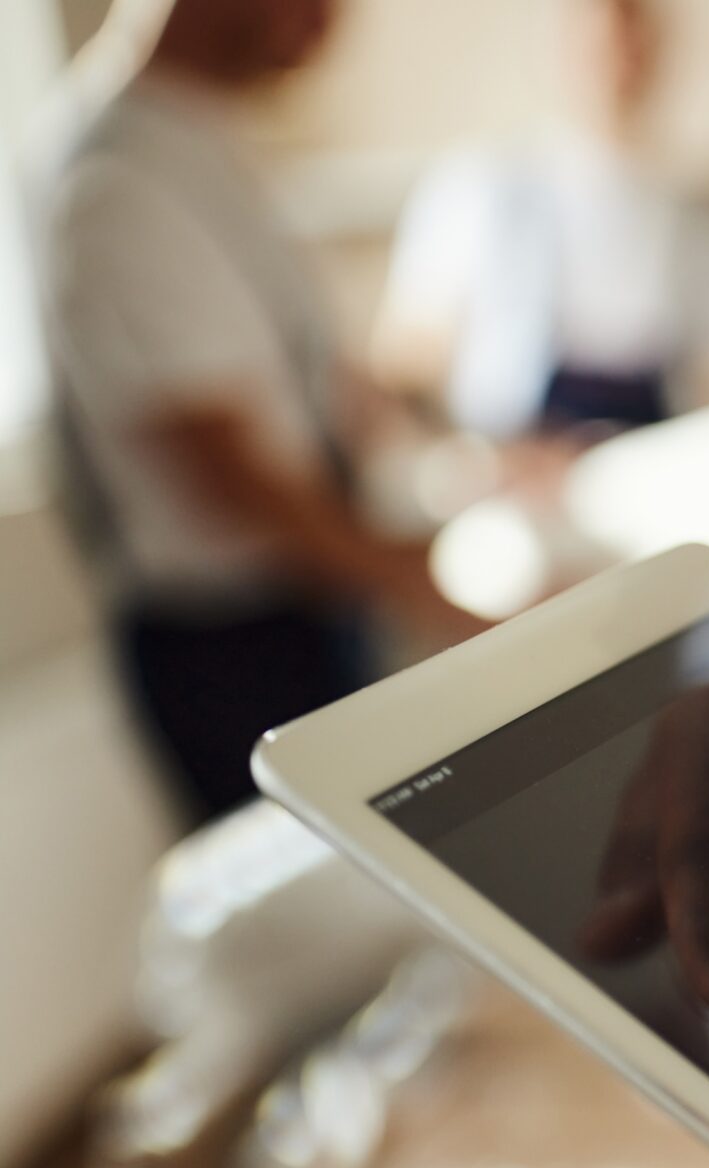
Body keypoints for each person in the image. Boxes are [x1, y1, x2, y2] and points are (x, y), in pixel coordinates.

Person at [29, 0, 463, 824]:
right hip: (232, 650)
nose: (333, 27)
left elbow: (294, 374)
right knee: (326, 923)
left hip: (302, 606)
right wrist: (428, 597)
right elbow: (226, 472)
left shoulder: (198, 137)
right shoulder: (114, 181)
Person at [371, 0, 709, 449]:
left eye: (634, 38)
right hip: (512, 468)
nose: (618, 58)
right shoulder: (479, 187)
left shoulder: (702, 218)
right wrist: (471, 454)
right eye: (601, 39)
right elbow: (404, 361)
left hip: (656, 467)